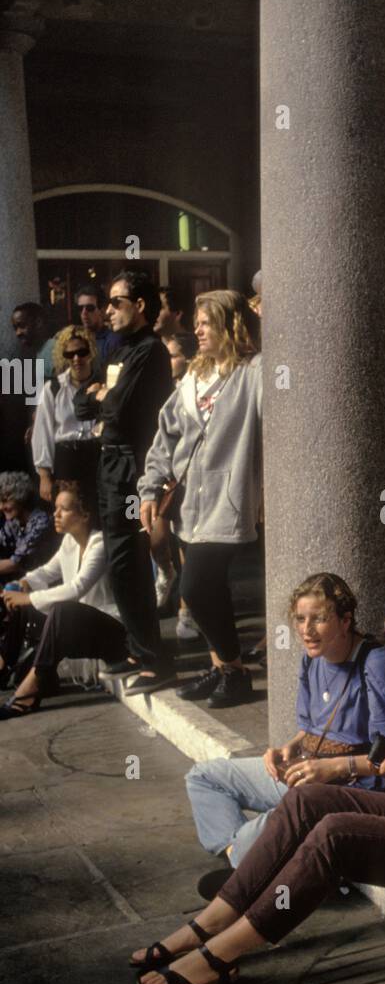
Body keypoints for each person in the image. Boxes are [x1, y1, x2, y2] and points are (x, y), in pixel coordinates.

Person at [130, 570, 385, 984]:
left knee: (334, 834)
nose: (305, 631)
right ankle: (210, 922)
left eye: (316, 619)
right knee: (307, 800)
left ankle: (218, 956)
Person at [184, 571, 385, 898]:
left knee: (256, 835)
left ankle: (254, 860)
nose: (306, 630)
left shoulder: (377, 664)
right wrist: (286, 749)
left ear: (345, 620)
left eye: (319, 619)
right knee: (204, 777)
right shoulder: (313, 659)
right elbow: (310, 730)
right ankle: (245, 861)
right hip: (309, 771)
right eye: (300, 619)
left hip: (353, 790)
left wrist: (335, 769)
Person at [138, 290, 262, 708]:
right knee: (212, 591)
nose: (197, 329)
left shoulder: (254, 372)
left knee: (196, 585)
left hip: (227, 502)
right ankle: (223, 668)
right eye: (197, 321)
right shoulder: (194, 375)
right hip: (189, 504)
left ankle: (237, 671)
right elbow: (165, 435)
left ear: (231, 325)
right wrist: (150, 486)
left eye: (207, 322)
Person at [74, 269, 174, 694]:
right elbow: (84, 402)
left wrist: (102, 399)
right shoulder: (118, 351)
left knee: (128, 562)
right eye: (109, 302)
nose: (109, 309)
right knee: (119, 564)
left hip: (132, 467)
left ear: (141, 306)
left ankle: (153, 660)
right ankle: (138, 649)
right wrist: (98, 397)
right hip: (109, 466)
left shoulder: (149, 352)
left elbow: (117, 410)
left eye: (117, 302)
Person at [0, 481, 123, 718]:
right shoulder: (70, 541)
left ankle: (31, 689)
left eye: (63, 509)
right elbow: (47, 571)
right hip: (83, 627)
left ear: (85, 515)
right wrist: (23, 585)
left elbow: (76, 588)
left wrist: (29, 597)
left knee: (61, 611)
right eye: (55, 508)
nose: (55, 514)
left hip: (111, 630)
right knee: (21, 604)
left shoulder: (99, 544)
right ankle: (4, 666)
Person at [31, 326, 101, 507]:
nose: (76, 358)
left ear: (90, 352)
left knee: (97, 515)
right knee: (70, 516)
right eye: (70, 355)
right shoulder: (53, 389)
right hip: (66, 461)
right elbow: (42, 432)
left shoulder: (103, 385)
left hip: (97, 459)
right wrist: (44, 476)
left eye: (81, 352)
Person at [0, 471, 55, 581]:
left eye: (5, 501)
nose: (1, 507)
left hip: (44, 584)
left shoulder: (41, 522)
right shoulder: (14, 522)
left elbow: (15, 564)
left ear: (20, 496)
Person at [74, 284, 123, 365]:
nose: (84, 313)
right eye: (80, 308)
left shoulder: (113, 341)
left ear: (102, 310)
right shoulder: (76, 340)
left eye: (90, 308)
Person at [11, 302, 56, 378]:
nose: (18, 333)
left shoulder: (54, 350)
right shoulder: (41, 351)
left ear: (38, 323)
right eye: (15, 328)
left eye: (22, 325)